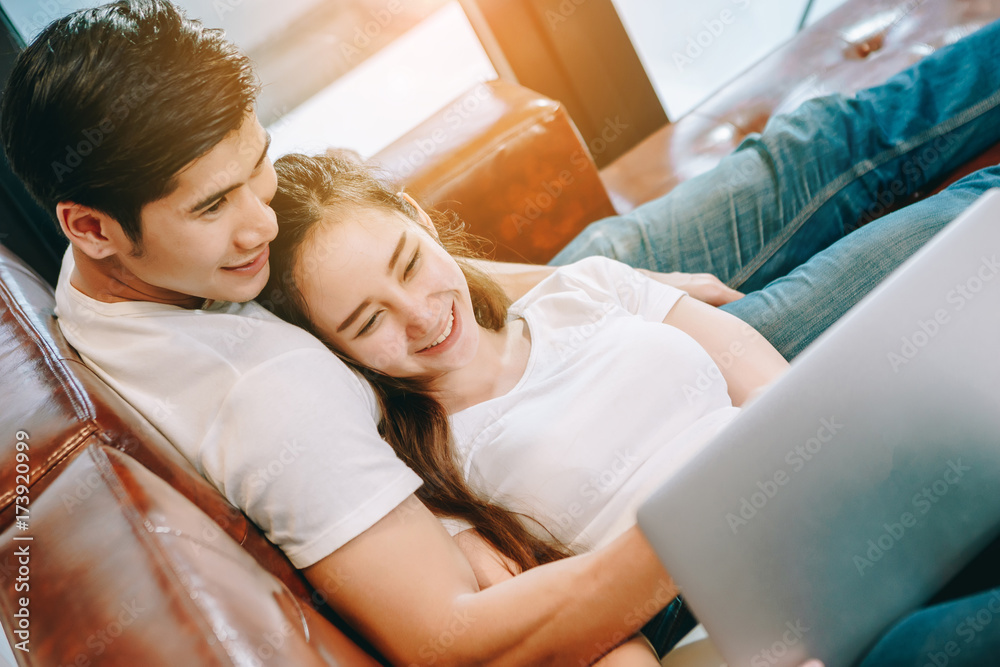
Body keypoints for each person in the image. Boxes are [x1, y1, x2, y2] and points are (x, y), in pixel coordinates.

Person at [258, 14, 1000, 666]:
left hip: (848, 490)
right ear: (342, 355)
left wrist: (823, 468)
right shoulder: (446, 475)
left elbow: (750, 367)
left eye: (411, 264)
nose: (419, 317)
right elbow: (583, 629)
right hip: (754, 609)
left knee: (968, 231)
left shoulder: (577, 292)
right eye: (368, 322)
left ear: (421, 220)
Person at [0, 2, 683, 664]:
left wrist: (584, 285)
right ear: (89, 227)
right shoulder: (265, 394)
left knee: (662, 237)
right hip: (574, 437)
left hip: (513, 328)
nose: (261, 225)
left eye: (255, 165)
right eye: (212, 205)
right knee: (787, 169)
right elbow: (455, 639)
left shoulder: (106, 277)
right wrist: (707, 512)